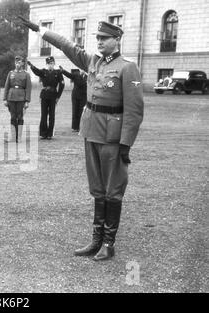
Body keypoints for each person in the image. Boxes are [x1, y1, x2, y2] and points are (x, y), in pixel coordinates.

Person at [20, 18, 144, 261]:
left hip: (113, 135)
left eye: (103, 38)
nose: (98, 42)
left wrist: (126, 143)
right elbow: (67, 45)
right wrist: (41, 30)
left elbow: (135, 109)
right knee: (97, 188)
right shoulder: (92, 61)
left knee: (113, 189)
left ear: (117, 40)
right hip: (92, 131)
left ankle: (109, 242)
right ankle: (96, 239)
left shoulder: (127, 67)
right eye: (97, 38)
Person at [27, 56, 64, 139]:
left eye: (52, 63)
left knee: (51, 115)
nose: (50, 65)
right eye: (49, 64)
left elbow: (62, 85)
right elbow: (37, 71)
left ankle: (50, 134)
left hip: (53, 96)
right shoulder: (44, 71)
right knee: (44, 114)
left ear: (54, 64)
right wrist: (31, 66)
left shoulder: (58, 73)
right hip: (44, 95)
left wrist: (58, 96)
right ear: (46, 64)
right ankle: (43, 133)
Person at [3, 55, 32, 143]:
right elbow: (6, 86)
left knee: (20, 117)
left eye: (19, 62)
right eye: (16, 62)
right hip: (11, 97)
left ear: (22, 63)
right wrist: (5, 99)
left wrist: (27, 101)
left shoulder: (26, 74)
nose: (17, 64)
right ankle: (13, 137)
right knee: (12, 117)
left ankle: (18, 137)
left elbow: (28, 88)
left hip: (21, 98)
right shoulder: (11, 73)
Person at [61, 67, 88, 132]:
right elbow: (69, 75)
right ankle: (75, 127)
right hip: (75, 96)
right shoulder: (76, 75)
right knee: (75, 111)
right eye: (82, 69)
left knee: (81, 112)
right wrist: (63, 71)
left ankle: (81, 126)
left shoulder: (88, 77)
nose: (82, 70)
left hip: (84, 96)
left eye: (84, 69)